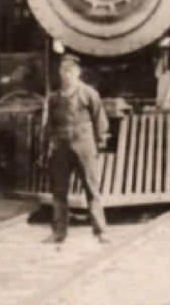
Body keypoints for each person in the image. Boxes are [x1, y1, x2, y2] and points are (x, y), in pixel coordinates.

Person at [46, 54, 109, 244]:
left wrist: (100, 140)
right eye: (64, 71)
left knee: (91, 188)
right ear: (60, 73)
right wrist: (51, 143)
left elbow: (99, 118)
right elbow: (50, 124)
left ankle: (101, 231)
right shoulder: (54, 98)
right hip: (61, 147)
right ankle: (59, 232)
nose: (67, 75)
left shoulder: (89, 93)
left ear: (78, 73)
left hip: (84, 145)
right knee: (59, 190)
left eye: (71, 71)